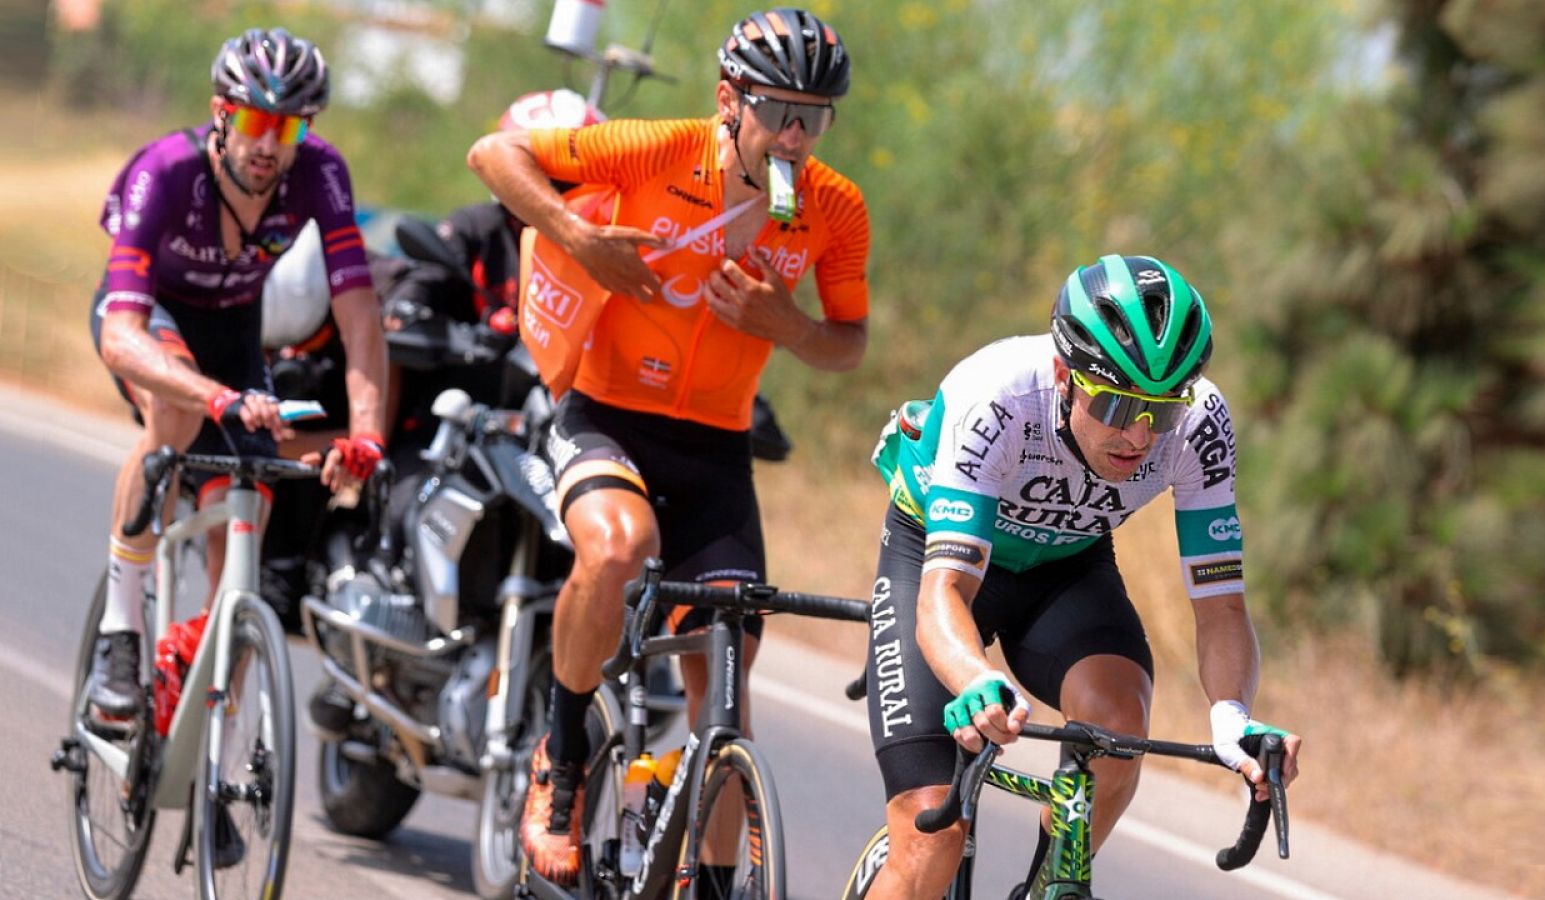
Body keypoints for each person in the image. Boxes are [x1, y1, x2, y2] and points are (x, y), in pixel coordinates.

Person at [467, 7, 869, 885]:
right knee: (620, 547)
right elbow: (494, 155)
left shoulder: (834, 208)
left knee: (725, 691)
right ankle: (562, 756)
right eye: (779, 112)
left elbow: (850, 342)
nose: (796, 137)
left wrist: (788, 327)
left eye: (816, 119)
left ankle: (708, 882)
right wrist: (579, 238)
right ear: (729, 100)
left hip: (717, 449)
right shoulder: (655, 149)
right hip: (608, 414)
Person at [862, 254, 1302, 897]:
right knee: (933, 832)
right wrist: (976, 679)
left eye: (1161, 411)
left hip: (1065, 565)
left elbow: (1221, 605)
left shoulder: (1202, 424)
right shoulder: (997, 395)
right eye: (1119, 406)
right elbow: (944, 592)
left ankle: (1050, 887)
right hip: (937, 560)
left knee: (1118, 730)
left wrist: (1233, 714)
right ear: (1064, 376)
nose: (1140, 437)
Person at [86, 27, 388, 719]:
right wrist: (213, 396)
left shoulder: (320, 173)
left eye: (291, 128)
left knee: (251, 494)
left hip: (233, 332)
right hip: (154, 318)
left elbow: (359, 315)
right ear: (221, 113)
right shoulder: (165, 171)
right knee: (175, 415)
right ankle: (120, 633)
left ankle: (211, 695)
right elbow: (122, 338)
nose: (269, 144)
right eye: (254, 121)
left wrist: (367, 434)